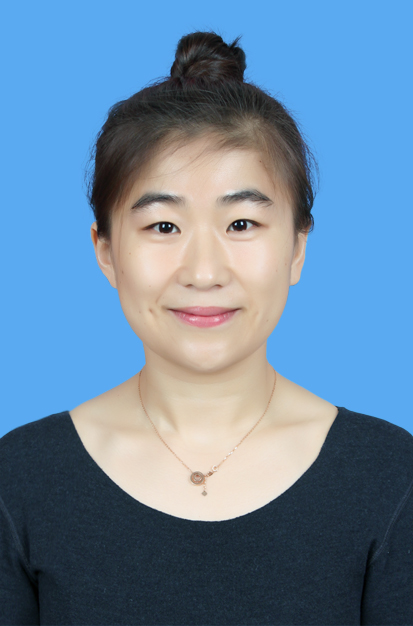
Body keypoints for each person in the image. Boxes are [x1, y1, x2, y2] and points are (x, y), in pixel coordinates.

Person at [0, 30, 412, 626]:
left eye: (241, 224)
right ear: (105, 250)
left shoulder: (389, 477)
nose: (203, 272)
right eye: (163, 227)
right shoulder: (21, 479)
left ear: (297, 247)